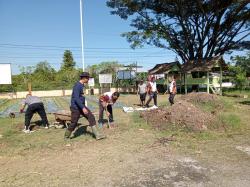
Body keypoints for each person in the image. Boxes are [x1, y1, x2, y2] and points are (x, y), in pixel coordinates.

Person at [64, 72, 106, 140]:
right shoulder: (77, 85)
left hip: (81, 106)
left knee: (91, 117)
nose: (88, 79)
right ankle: (66, 136)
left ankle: (97, 135)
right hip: (76, 107)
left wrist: (83, 106)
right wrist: (83, 108)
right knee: (74, 123)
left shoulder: (82, 85)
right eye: (88, 78)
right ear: (84, 78)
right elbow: (76, 98)